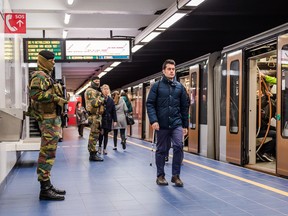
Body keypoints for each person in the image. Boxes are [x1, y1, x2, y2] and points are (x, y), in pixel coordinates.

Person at [29, 50, 67, 201]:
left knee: (50, 153)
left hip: (52, 120)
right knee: (47, 154)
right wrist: (56, 98)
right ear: (43, 60)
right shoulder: (39, 76)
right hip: (47, 120)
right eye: (51, 60)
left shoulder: (46, 76)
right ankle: (44, 188)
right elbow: (35, 95)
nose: (53, 62)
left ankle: (48, 184)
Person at [146, 59, 188, 187]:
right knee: (162, 150)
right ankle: (160, 176)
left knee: (178, 146)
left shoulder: (180, 87)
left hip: (176, 123)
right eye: (169, 69)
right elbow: (150, 104)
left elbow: (184, 107)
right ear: (163, 71)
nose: (171, 71)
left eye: (173, 69)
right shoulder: (157, 86)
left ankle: (176, 176)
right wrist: (154, 120)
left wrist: (185, 125)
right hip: (162, 124)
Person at [84, 76, 104, 161]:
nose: (97, 82)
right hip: (94, 116)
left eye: (98, 81)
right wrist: (102, 98)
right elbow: (94, 103)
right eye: (95, 81)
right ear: (92, 82)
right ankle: (92, 154)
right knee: (94, 135)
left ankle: (93, 153)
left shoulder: (95, 91)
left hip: (96, 116)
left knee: (95, 135)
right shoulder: (90, 91)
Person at [98, 84, 117, 154]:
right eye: (104, 89)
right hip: (101, 119)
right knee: (101, 134)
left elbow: (113, 110)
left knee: (106, 134)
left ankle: (105, 149)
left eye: (107, 89)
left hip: (108, 120)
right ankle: (99, 147)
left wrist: (115, 120)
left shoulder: (111, 100)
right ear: (102, 90)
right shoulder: (99, 98)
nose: (106, 90)